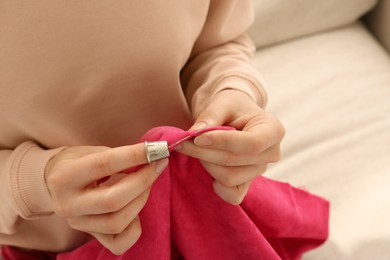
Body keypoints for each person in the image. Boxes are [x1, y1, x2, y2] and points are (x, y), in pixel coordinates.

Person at [0, 0, 285, 256]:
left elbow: (216, 43)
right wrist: (30, 184)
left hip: (216, 213)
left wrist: (232, 89)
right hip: (54, 249)